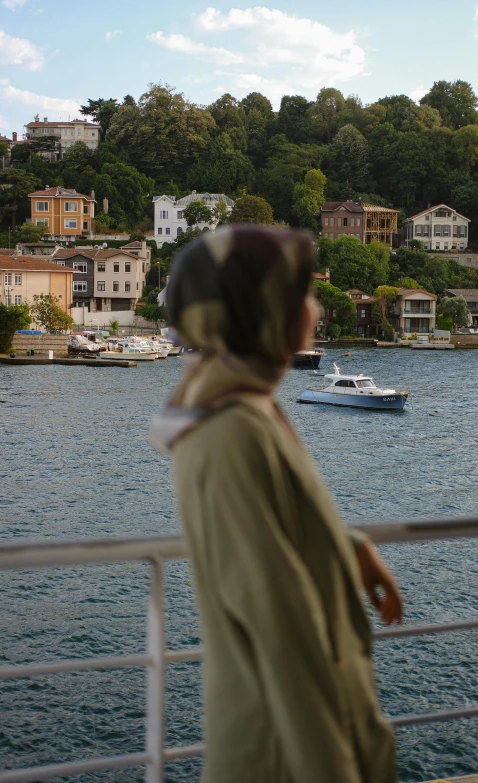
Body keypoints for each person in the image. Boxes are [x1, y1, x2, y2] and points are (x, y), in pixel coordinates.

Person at [151, 225, 403, 783]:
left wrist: (347, 549)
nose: (315, 310)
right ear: (256, 313)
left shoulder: (241, 407)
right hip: (283, 752)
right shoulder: (230, 431)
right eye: (302, 295)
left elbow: (273, 537)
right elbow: (280, 626)